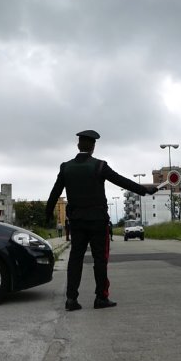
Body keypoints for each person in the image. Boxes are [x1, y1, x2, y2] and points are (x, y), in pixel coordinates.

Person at [46, 130, 158, 311]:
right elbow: (122, 181)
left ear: (78, 145)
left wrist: (47, 213)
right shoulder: (99, 166)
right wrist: (145, 190)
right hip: (98, 222)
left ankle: (71, 299)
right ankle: (101, 298)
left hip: (77, 222)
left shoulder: (65, 167)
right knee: (100, 260)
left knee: (75, 259)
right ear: (93, 147)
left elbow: (55, 193)